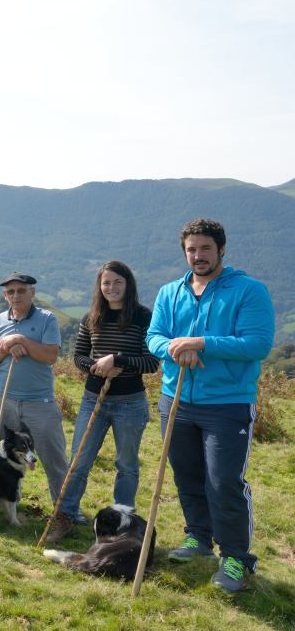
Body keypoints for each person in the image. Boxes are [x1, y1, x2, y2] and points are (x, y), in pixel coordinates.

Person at [147, 219, 274, 592]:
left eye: (205, 248)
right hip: (175, 400)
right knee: (186, 475)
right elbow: (153, 336)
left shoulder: (249, 290)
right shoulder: (170, 292)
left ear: (221, 250)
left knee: (223, 482)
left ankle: (236, 558)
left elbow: (257, 344)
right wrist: (174, 347)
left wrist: (201, 343)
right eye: (191, 249)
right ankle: (198, 537)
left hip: (227, 404)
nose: (198, 256)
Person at [59, 261, 159, 528]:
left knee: (126, 465)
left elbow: (151, 363)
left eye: (117, 282)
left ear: (128, 284)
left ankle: (121, 520)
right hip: (93, 400)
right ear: (99, 286)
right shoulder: (91, 317)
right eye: (106, 283)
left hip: (130, 403)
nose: (111, 287)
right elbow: (78, 357)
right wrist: (97, 367)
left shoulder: (143, 317)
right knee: (79, 460)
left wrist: (117, 359)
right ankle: (66, 515)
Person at [0, 272, 69, 541]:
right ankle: (6, 505)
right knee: (4, 456)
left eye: (21, 290)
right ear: (5, 295)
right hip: (3, 399)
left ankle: (63, 516)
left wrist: (21, 341)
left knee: (54, 460)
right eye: (11, 292)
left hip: (39, 402)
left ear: (32, 292)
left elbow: (51, 356)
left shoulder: (47, 319)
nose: (16, 295)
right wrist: (6, 348)